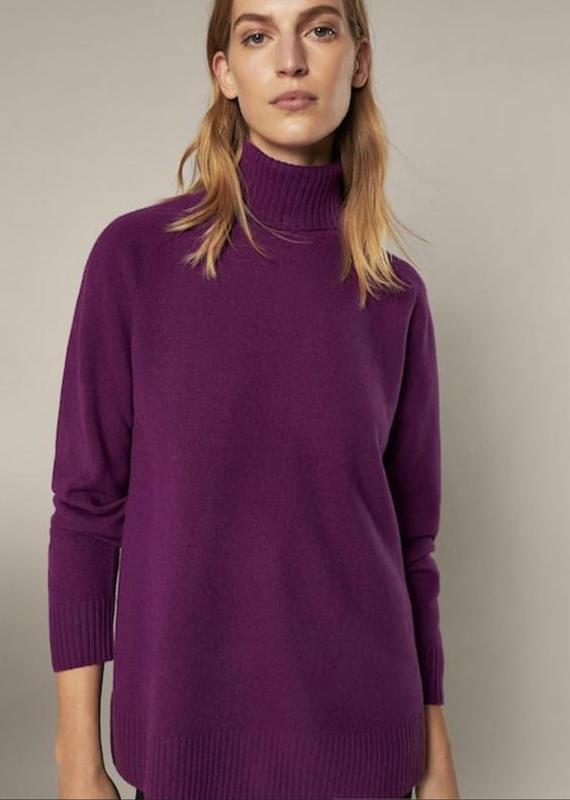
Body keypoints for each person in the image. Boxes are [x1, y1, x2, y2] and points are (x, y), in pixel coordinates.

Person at [48, 1, 460, 799]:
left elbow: (412, 547)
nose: (291, 59)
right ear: (225, 73)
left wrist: (436, 758)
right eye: (257, 35)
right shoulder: (135, 259)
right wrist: (77, 757)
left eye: (321, 28)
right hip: (182, 741)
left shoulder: (394, 295)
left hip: (366, 743)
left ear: (360, 61)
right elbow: (87, 513)